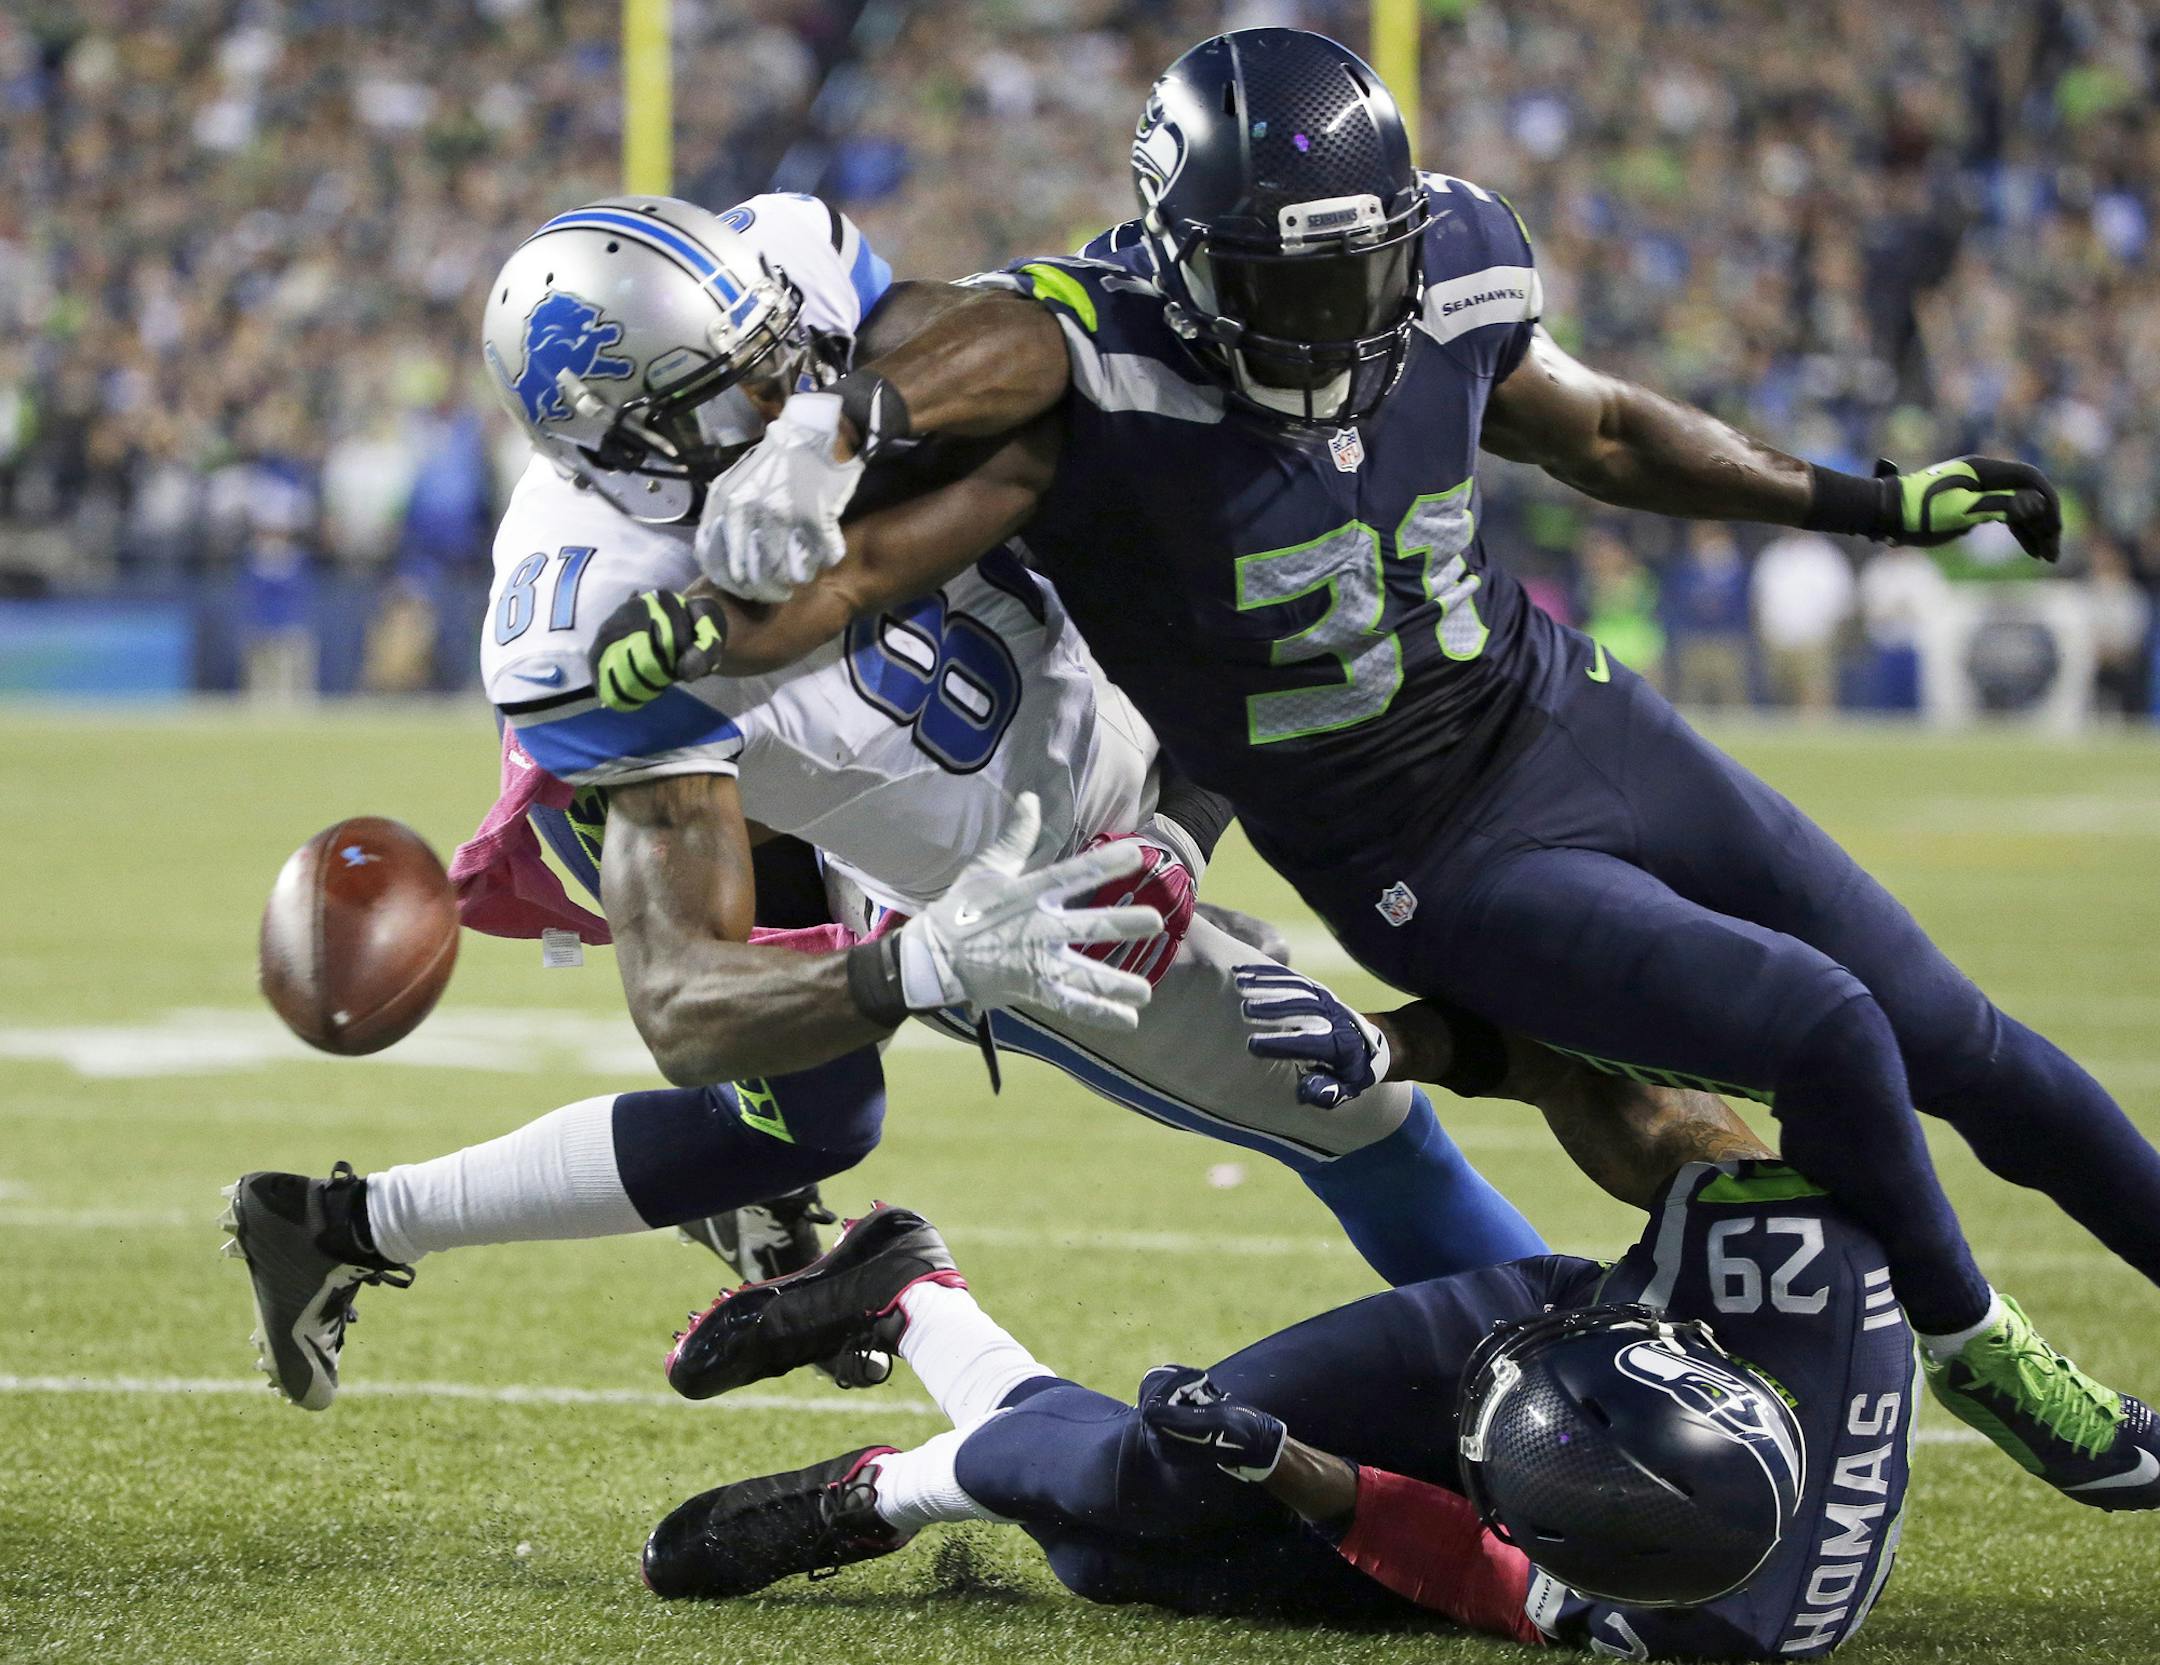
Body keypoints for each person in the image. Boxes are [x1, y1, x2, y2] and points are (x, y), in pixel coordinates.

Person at [639, 27, 2160, 1505]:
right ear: (1172, 256)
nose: (1324, 322)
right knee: (1825, 1025)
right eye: (1279, 285)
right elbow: (929, 354)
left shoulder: (1455, 262)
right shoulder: (1095, 362)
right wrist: (814, 457)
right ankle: (1986, 1352)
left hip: (1567, 715)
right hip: (1429, 851)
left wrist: (1874, 504)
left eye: (1357, 274)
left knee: (1965, 1037)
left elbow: (1611, 433)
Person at [219, 190, 1545, 1415]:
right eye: (721, 391)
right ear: (620, 449)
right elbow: (684, 1001)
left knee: (810, 1117)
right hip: (933, 861)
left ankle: (351, 1224)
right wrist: (925, 961)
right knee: (1357, 1114)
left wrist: (1169, 829)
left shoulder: (798, 275)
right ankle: (1599, 1392)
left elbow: (1039, 411)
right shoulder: (598, 616)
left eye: (772, 348)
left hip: (1048, 735)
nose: (778, 389)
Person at [636, 1000, 1914, 1661]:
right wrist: (1410, 1041)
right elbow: (1593, 1073)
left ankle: (913, 1295)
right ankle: (891, 1493)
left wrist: (1280, 1462)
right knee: (1141, 1472)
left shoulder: (1680, 1623)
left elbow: (1469, 1565)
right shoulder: (1800, 1270)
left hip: (1596, 1429)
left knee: (1117, 1563)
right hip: (1543, 1320)